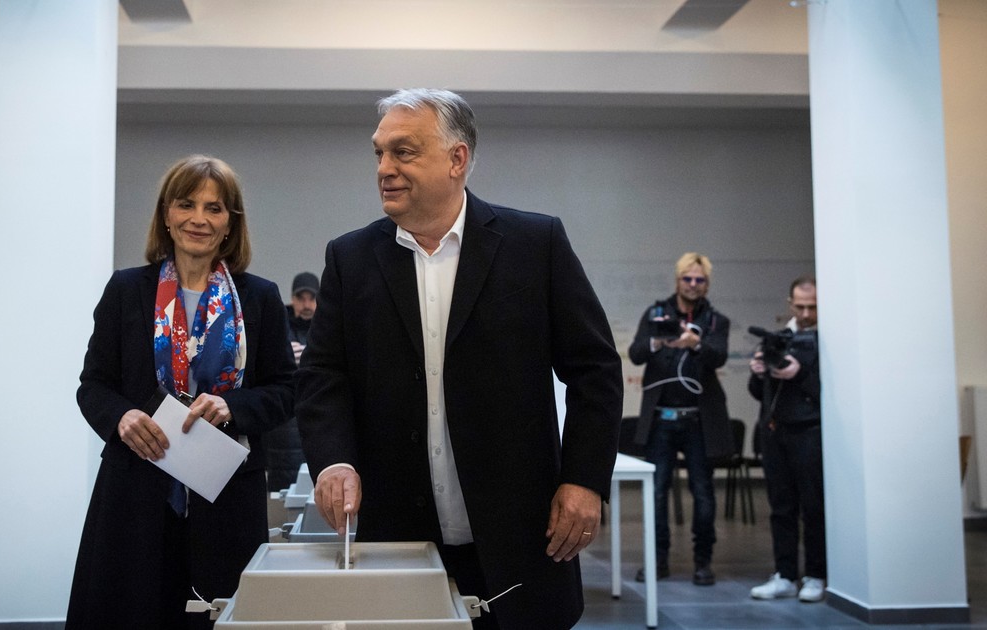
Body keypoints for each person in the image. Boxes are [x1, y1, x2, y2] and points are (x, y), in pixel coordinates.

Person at [295, 88, 623, 630]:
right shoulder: (350, 258)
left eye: (403, 152)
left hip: (520, 533)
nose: (384, 168)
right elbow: (323, 375)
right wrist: (333, 460)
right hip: (397, 536)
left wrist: (584, 480)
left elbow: (596, 370)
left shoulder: (534, 244)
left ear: (457, 158)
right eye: (379, 153)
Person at [66, 155, 296, 629]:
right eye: (186, 204)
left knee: (218, 615)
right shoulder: (126, 290)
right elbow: (93, 385)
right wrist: (121, 417)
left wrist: (233, 405)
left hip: (227, 497)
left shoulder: (260, 297)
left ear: (230, 223)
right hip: (136, 490)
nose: (199, 219)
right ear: (166, 215)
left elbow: (287, 390)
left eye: (214, 208)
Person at [628, 252, 732, 586]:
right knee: (656, 492)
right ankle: (657, 560)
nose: (693, 284)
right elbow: (635, 353)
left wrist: (696, 344)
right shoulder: (656, 314)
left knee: (703, 492)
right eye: (688, 278)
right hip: (660, 420)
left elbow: (719, 356)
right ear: (677, 280)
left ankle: (703, 562)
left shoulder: (716, 321)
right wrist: (659, 340)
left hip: (699, 421)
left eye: (699, 280)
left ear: (707, 284)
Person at [748, 275, 825, 602]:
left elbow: (831, 393)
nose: (806, 313)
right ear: (790, 304)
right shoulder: (779, 339)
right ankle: (784, 574)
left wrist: (801, 373)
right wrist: (758, 372)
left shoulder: (830, 340)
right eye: (801, 306)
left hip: (810, 431)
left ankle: (816, 575)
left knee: (813, 507)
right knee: (781, 507)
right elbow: (759, 393)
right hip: (775, 430)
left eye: (813, 307)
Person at [263, 271, 319, 491]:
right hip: (283, 422)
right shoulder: (278, 326)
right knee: (282, 491)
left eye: (311, 298)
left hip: (315, 415)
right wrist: (285, 354)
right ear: (292, 299)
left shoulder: (329, 328)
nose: (306, 304)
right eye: (300, 298)